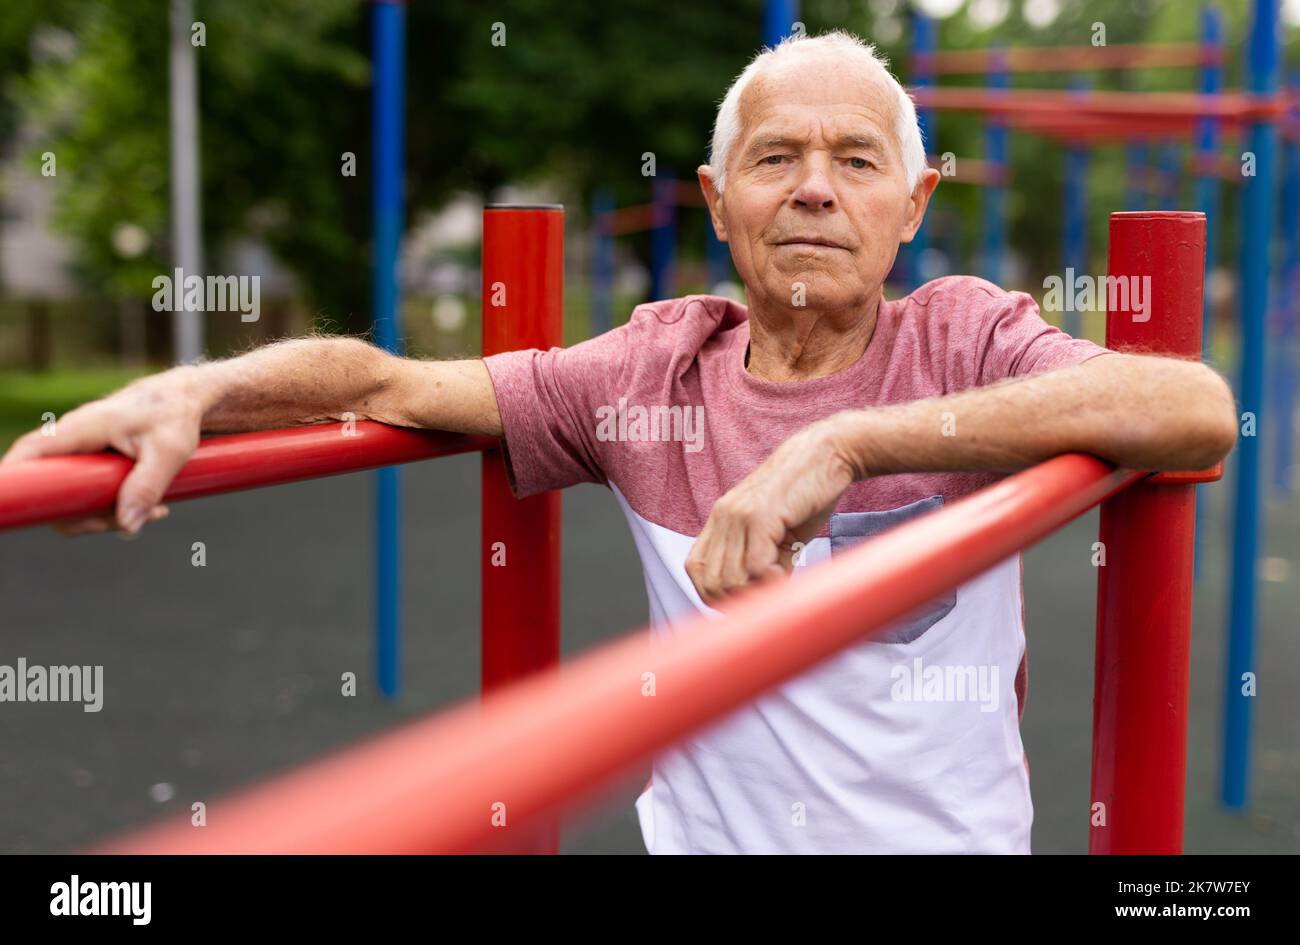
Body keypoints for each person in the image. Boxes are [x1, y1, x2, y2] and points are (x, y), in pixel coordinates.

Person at [2, 31, 1237, 854]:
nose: (814, 188)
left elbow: (1185, 408)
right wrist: (194, 393)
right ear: (717, 197)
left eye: (856, 161)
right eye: (776, 158)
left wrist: (850, 442)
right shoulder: (655, 368)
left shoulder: (964, 341)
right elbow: (385, 379)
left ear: (910, 209)